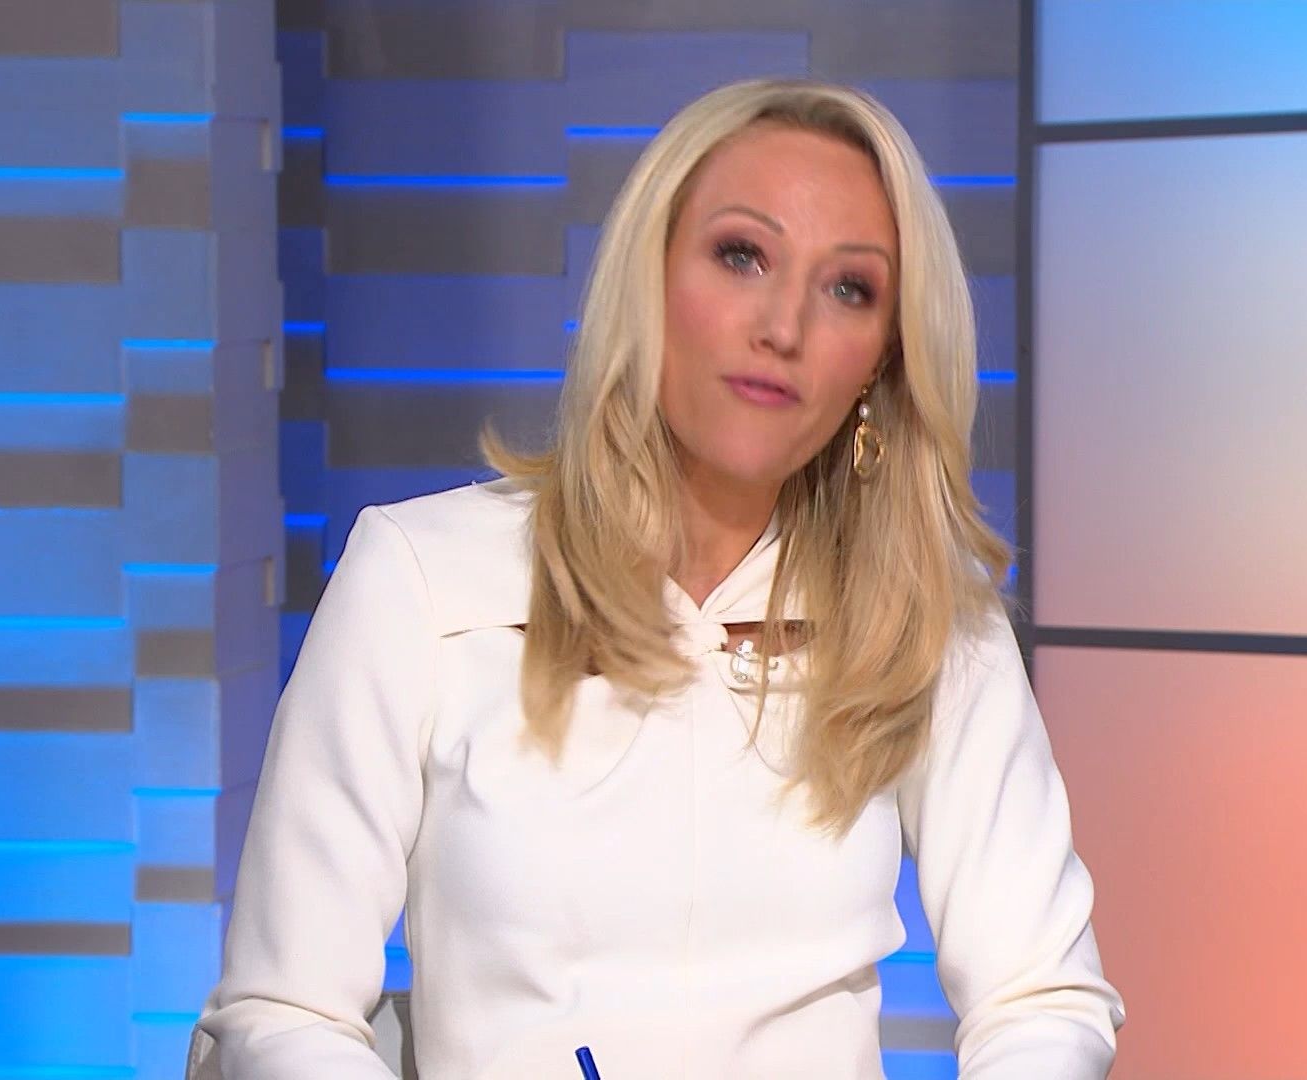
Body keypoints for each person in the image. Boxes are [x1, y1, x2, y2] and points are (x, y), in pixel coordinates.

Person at [186, 77, 1126, 1079]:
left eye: (849, 288)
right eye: (742, 255)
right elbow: (284, 1012)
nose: (784, 327)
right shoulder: (421, 579)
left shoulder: (925, 618)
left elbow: (1042, 998)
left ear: (882, 363)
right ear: (651, 275)